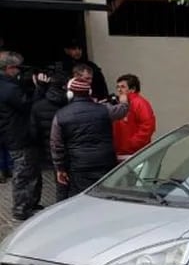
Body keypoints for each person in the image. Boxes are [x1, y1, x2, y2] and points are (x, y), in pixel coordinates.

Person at [50, 71, 129, 198]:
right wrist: (124, 101)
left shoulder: (61, 115)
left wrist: (60, 168)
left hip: (79, 165)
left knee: (83, 199)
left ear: (70, 94)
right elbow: (122, 111)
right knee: (106, 196)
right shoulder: (104, 109)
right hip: (105, 161)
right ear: (90, 92)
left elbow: (56, 145)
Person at [0, 51, 44, 220]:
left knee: (30, 169)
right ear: (10, 68)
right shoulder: (9, 88)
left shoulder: (7, 85)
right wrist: (39, 89)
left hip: (14, 134)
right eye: (17, 68)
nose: (19, 72)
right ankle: (21, 207)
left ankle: (30, 203)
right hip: (19, 135)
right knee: (24, 172)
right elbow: (28, 105)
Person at [31, 65, 73, 201]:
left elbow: (33, 133)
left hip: (52, 151)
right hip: (74, 150)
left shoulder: (38, 106)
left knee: (61, 184)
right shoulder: (71, 103)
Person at [112, 74, 157, 159]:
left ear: (132, 89)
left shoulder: (139, 103)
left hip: (135, 154)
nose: (119, 90)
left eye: (123, 87)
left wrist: (131, 144)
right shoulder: (119, 104)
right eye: (117, 87)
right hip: (121, 152)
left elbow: (147, 127)